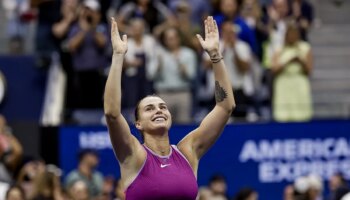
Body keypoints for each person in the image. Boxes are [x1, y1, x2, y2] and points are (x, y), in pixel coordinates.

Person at [104, 16, 235, 200]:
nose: (159, 110)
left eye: (162, 107)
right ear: (138, 124)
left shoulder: (188, 152)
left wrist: (215, 54)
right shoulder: (133, 155)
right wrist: (118, 56)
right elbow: (111, 113)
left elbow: (225, 107)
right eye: (149, 108)